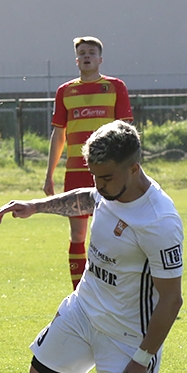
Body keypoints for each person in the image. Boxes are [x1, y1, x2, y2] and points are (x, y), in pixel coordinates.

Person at [0, 121, 187, 373]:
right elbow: (90, 198)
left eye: (106, 176)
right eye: (95, 175)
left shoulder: (160, 222)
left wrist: (141, 359)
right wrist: (36, 207)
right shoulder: (108, 187)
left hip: (129, 340)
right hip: (82, 313)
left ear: (134, 168)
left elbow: (172, 300)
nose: (100, 184)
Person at [45, 36, 133, 290]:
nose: (87, 56)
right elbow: (59, 134)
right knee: (78, 235)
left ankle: (119, 287)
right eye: (82, 52)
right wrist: (49, 174)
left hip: (110, 173)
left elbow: (126, 130)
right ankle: (80, 294)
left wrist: (127, 168)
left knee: (117, 232)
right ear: (76, 60)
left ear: (100, 59)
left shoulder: (115, 87)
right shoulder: (65, 91)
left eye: (91, 52)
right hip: (75, 172)